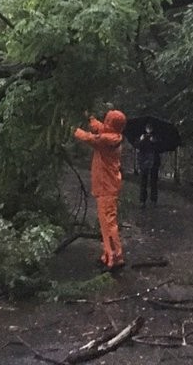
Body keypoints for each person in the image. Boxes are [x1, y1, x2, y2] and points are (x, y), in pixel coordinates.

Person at [73, 104, 126, 271]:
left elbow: (89, 137)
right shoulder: (112, 135)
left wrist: (71, 128)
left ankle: (115, 258)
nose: (105, 122)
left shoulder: (107, 140)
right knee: (106, 224)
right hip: (106, 187)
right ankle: (108, 255)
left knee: (109, 224)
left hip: (106, 188)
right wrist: (89, 117)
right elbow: (99, 127)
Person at [137, 123, 161, 205]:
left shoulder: (156, 137)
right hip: (144, 161)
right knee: (143, 181)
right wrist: (141, 140)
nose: (149, 129)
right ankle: (142, 200)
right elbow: (138, 146)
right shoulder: (142, 136)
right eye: (147, 127)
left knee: (153, 181)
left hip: (154, 161)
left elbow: (159, 148)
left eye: (150, 127)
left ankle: (153, 199)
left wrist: (154, 141)